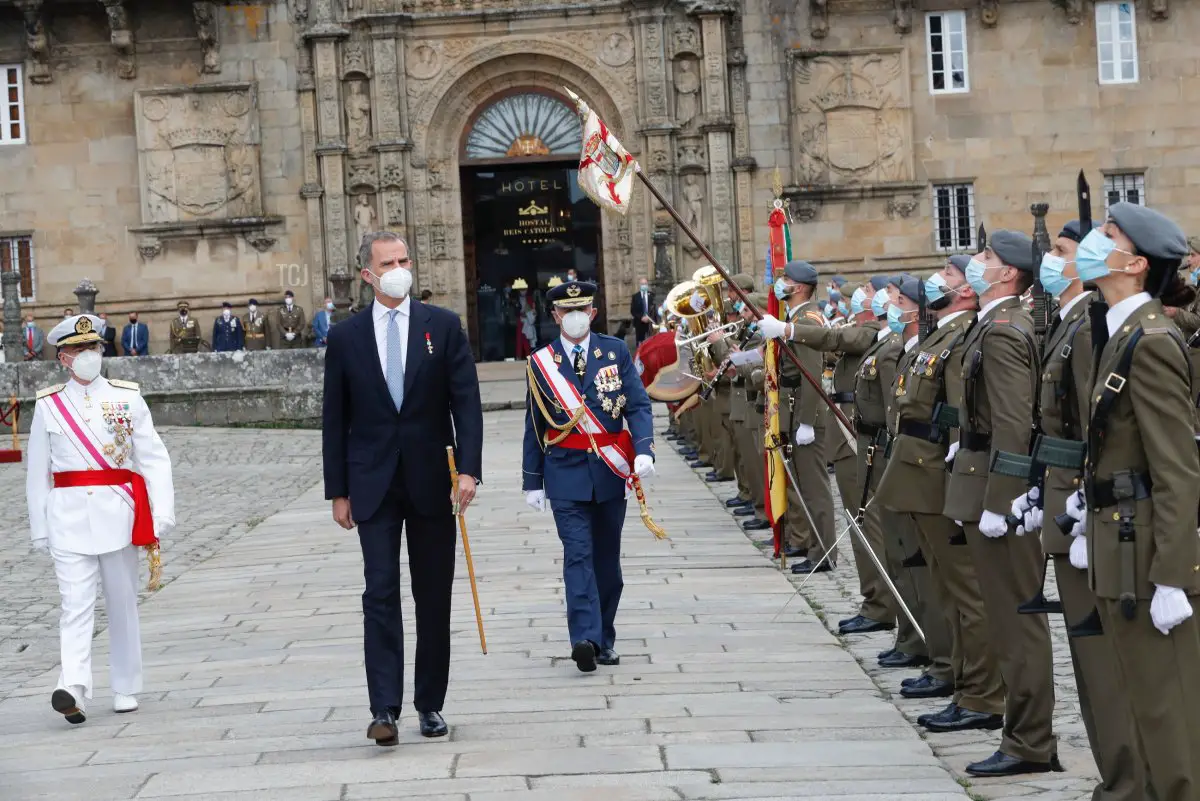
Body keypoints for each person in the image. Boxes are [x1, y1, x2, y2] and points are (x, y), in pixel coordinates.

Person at [322, 231, 483, 747]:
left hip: (434, 479)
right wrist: (338, 491)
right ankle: (383, 708)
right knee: (380, 594)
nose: (399, 268)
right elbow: (334, 419)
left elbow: (467, 403)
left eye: (404, 259)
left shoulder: (443, 326)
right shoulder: (346, 338)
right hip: (372, 482)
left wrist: (470, 471)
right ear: (368, 275)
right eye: (387, 262)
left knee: (432, 595)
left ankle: (430, 703)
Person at [1061, 202, 1200, 799]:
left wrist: (1174, 574)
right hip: (1118, 542)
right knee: (1140, 702)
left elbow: (1177, 469)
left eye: (1108, 235)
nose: (1094, 240)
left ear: (1136, 263)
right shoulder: (1121, 332)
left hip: (1145, 554)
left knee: (1167, 717)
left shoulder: (1152, 341)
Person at [1009, 218, 1146, 800]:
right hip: (1066, 492)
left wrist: (1080, 497)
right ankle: (1118, 776)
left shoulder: (1091, 327)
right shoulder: (1073, 323)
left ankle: (1127, 779)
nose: (1060, 257)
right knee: (1088, 652)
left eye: (1061, 249)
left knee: (1100, 655)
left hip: (1088, 504)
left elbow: (1102, 428)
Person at [945, 229, 1059, 777]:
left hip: (997, 490)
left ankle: (1029, 740)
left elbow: (1014, 424)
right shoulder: (992, 323)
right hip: (979, 480)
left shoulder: (1006, 330)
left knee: (1016, 622)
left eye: (986, 257)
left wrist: (1003, 500)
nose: (974, 262)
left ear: (1009, 273)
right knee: (1003, 618)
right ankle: (1021, 732)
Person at [25, 314, 175, 724]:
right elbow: (37, 472)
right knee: (74, 605)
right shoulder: (48, 406)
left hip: (117, 513)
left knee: (122, 603)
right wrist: (40, 527)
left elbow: (153, 457)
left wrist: (161, 513)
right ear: (63, 358)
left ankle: (125, 685)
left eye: (94, 347)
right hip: (67, 517)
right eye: (80, 350)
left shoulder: (127, 398)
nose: (90, 355)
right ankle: (72, 686)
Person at [875, 265, 1003, 732]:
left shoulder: (961, 337)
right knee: (945, 586)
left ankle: (982, 693)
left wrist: (957, 476)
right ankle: (956, 673)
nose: (939, 276)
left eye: (948, 272)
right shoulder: (937, 337)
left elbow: (957, 414)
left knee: (965, 591)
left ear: (964, 292)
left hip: (937, 472)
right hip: (917, 468)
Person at [523, 278, 655, 672]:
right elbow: (534, 425)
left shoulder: (614, 352)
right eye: (567, 312)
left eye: (582, 311)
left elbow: (638, 404)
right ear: (555, 315)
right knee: (577, 555)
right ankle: (584, 639)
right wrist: (532, 480)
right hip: (564, 472)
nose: (575, 317)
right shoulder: (541, 363)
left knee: (606, 563)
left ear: (593, 313)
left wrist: (644, 449)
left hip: (610, 471)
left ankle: (605, 636)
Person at [754, 260, 837, 574]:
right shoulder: (795, 317)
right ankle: (816, 548)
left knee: (815, 490)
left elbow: (811, 374)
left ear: (800, 287)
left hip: (808, 418)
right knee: (804, 486)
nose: (780, 283)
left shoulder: (809, 320)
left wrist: (806, 421)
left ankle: (824, 553)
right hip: (794, 412)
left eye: (786, 279)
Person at [630, 277, 658, 344]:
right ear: (640, 285)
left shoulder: (652, 295)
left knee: (651, 342)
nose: (644, 285)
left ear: (647, 285)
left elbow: (654, 309)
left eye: (645, 284)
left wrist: (651, 318)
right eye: (642, 284)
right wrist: (641, 317)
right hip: (639, 323)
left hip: (650, 324)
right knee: (641, 344)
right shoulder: (635, 296)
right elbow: (633, 311)